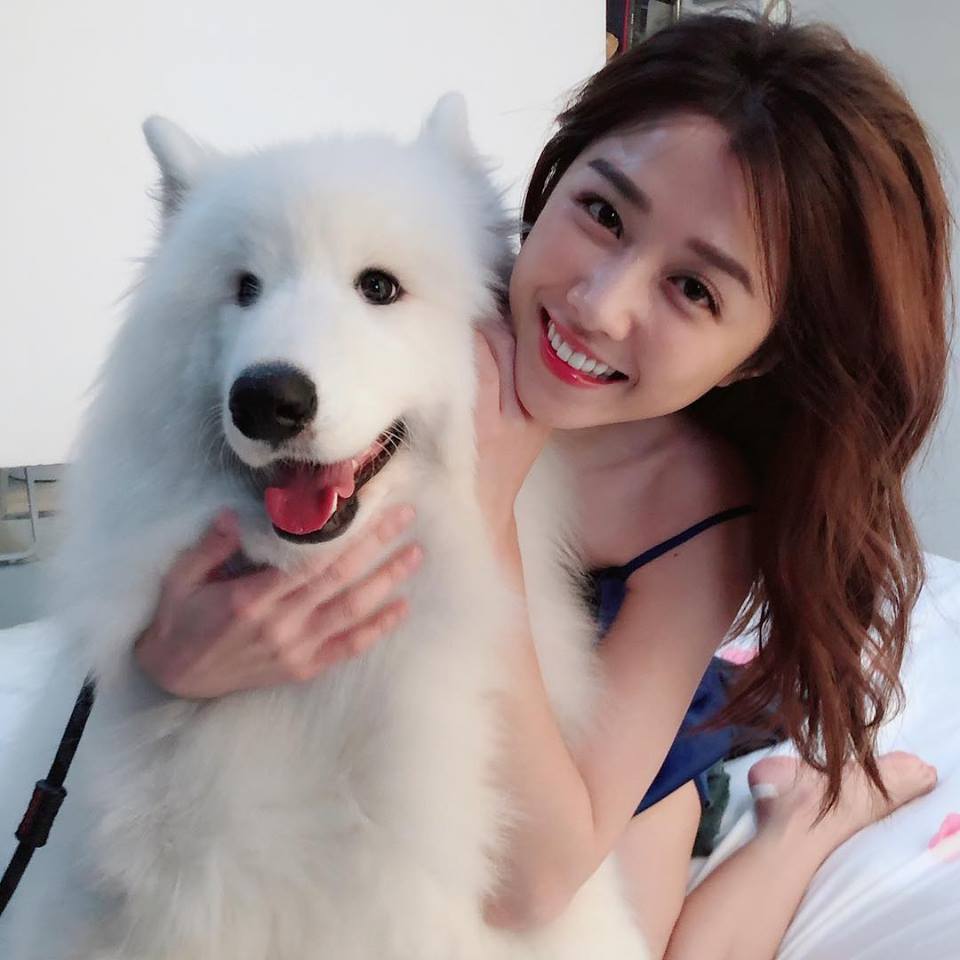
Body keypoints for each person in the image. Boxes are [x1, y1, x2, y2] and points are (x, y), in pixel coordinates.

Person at [132, 12, 952, 959]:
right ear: (554, 176)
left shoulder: (694, 501)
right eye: (603, 213)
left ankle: (804, 822)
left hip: (601, 758)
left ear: (759, 356)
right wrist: (167, 667)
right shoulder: (412, 302)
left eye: (695, 289)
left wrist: (486, 508)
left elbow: (533, 881)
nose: (598, 305)